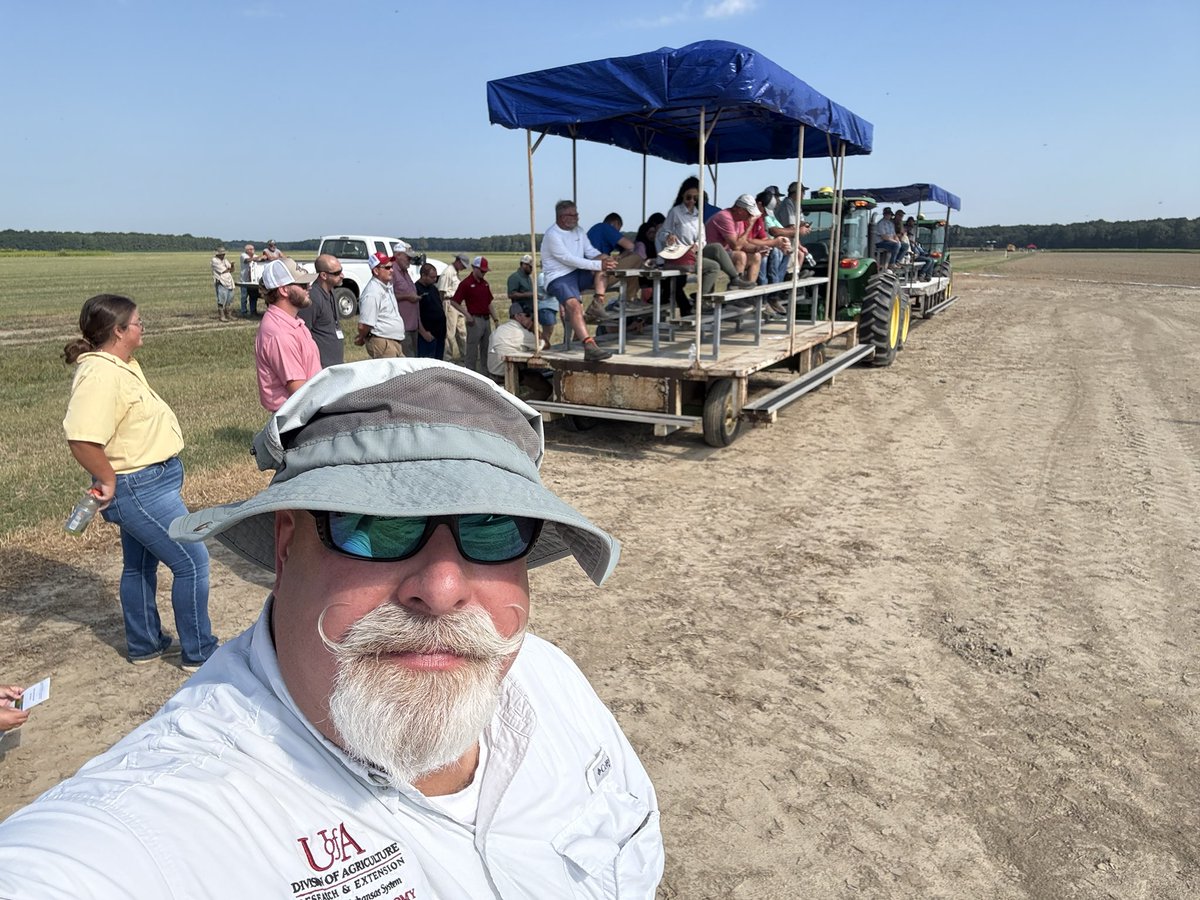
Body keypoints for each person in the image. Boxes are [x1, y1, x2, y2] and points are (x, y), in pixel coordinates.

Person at [0, 358, 664, 897]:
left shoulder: (552, 683)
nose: (440, 588)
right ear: (287, 544)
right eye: (375, 525)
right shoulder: (148, 835)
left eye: (492, 529)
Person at [61, 294, 217, 672]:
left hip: (150, 481)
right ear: (118, 331)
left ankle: (145, 644)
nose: (142, 326)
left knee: (138, 566)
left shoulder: (120, 364)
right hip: (138, 486)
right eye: (137, 322)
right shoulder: (99, 374)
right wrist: (108, 478)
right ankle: (200, 653)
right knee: (193, 564)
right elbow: (81, 437)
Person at [658, 177, 752, 315]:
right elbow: (662, 233)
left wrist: (697, 245)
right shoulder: (675, 212)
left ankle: (734, 278)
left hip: (693, 250)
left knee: (717, 248)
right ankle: (703, 301)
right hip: (680, 254)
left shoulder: (697, 214)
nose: (691, 201)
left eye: (695, 198)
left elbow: (702, 237)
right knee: (713, 267)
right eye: (688, 197)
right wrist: (668, 237)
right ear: (682, 196)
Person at [540, 200, 616, 362]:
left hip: (577, 273)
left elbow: (590, 252)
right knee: (573, 305)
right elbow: (569, 259)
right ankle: (589, 346)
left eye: (577, 214)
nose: (576, 218)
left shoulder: (579, 231)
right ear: (561, 217)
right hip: (558, 276)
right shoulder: (552, 235)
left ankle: (598, 303)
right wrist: (598, 263)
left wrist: (605, 259)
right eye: (572, 215)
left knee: (605, 267)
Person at [255, 258, 321, 411]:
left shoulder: (292, 322)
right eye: (303, 285)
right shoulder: (279, 333)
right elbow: (300, 392)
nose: (309, 288)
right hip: (297, 419)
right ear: (284, 290)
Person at [488, 302, 552, 401]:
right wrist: (533, 328)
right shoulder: (521, 333)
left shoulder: (500, 329)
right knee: (546, 388)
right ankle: (521, 408)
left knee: (535, 375)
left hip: (494, 371)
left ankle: (520, 404)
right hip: (507, 373)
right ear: (517, 316)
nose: (531, 319)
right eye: (527, 315)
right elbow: (546, 345)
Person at [585, 212, 643, 315]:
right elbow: (630, 246)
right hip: (596, 275)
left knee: (629, 268)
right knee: (637, 259)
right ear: (615, 223)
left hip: (586, 274)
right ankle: (630, 299)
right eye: (618, 229)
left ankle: (629, 298)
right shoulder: (605, 227)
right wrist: (620, 257)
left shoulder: (594, 231)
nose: (618, 232)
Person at [450, 256, 497, 376]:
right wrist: (467, 314)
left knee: (486, 348)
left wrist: (495, 318)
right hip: (474, 319)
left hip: (486, 320)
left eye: (485, 271)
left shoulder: (485, 284)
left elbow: (489, 303)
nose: (484, 273)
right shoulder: (466, 283)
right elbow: (454, 301)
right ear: (474, 268)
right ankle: (470, 374)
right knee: (472, 350)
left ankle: (486, 374)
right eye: (482, 271)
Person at [297, 254, 346, 369]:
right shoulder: (313, 298)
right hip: (321, 368)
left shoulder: (331, 292)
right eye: (337, 273)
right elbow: (304, 334)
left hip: (334, 365)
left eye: (341, 271)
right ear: (323, 275)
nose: (342, 275)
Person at [354, 252, 406, 358]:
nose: (391, 270)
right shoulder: (372, 293)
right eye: (387, 268)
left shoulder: (386, 286)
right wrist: (362, 337)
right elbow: (364, 325)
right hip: (383, 342)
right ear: (376, 271)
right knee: (392, 374)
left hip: (393, 341)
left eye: (392, 267)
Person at [705, 193, 763, 283]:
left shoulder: (738, 220)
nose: (750, 216)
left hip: (724, 253)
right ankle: (735, 286)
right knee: (740, 256)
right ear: (740, 210)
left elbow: (742, 243)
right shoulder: (725, 217)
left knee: (756, 256)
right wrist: (749, 226)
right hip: (711, 253)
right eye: (749, 213)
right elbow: (736, 246)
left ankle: (750, 289)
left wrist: (757, 248)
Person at [507, 253, 554, 350]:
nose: (532, 269)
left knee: (533, 338)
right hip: (520, 315)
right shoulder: (514, 277)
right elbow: (511, 294)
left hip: (530, 314)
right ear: (523, 265)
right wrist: (529, 294)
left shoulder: (528, 278)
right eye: (530, 267)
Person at [390, 243, 421, 358]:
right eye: (407, 257)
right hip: (402, 327)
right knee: (407, 360)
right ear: (398, 255)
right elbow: (388, 297)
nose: (410, 260)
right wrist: (407, 297)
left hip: (412, 326)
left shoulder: (405, 272)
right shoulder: (391, 271)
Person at [438, 252, 469, 362]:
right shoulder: (448, 272)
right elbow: (441, 291)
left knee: (462, 331)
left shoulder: (455, 272)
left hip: (457, 303)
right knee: (449, 333)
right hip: (449, 302)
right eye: (463, 265)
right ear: (458, 261)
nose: (464, 268)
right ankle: (448, 358)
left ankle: (465, 356)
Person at [414, 262, 447, 360]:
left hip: (440, 332)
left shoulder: (433, 288)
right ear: (423, 275)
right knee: (427, 361)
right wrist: (423, 332)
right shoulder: (416, 289)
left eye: (435, 277)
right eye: (432, 277)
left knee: (439, 360)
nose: (435, 279)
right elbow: (415, 314)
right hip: (427, 334)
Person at [210, 247, 235, 321]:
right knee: (221, 299)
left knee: (229, 299)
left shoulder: (225, 260)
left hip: (229, 281)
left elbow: (232, 270)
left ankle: (228, 314)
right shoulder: (214, 260)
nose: (223, 255)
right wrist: (229, 268)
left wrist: (232, 266)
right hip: (221, 281)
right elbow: (224, 270)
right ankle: (222, 316)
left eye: (223, 254)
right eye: (221, 254)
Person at [239, 243, 260, 317]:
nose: (252, 251)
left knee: (253, 296)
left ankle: (253, 311)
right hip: (244, 280)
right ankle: (243, 311)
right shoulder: (243, 255)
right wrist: (260, 257)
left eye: (253, 249)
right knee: (244, 297)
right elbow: (247, 260)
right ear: (247, 250)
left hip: (253, 280)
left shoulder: (255, 256)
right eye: (250, 249)